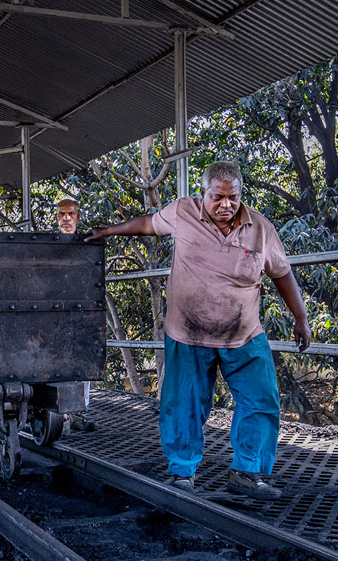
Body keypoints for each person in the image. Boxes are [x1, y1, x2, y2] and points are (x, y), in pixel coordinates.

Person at [85, 161, 310, 500]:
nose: (226, 205)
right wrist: (109, 231)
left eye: (233, 197)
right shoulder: (182, 212)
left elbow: (281, 273)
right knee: (183, 404)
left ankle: (248, 472)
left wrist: (301, 318)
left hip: (244, 335)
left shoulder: (260, 229)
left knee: (261, 400)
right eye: (218, 197)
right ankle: (182, 473)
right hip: (187, 335)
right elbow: (148, 224)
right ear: (203, 193)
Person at [54, 198, 96, 432]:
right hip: (56, 311)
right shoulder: (49, 244)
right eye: (62, 214)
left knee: (83, 360)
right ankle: (60, 414)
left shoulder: (87, 244)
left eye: (71, 214)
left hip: (81, 310)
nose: (67, 218)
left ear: (77, 217)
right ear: (57, 217)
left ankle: (79, 411)